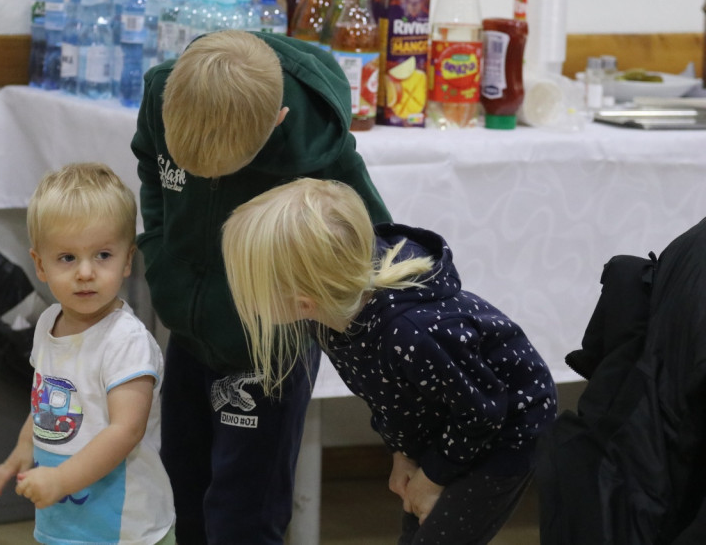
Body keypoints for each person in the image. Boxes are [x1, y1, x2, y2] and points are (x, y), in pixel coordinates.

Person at [131, 29, 390, 544]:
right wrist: (161, 259)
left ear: (276, 123)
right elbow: (151, 175)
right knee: (182, 483)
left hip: (273, 348)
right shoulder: (166, 93)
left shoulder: (313, 137)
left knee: (244, 512)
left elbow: (373, 239)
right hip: (188, 332)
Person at [220, 178, 558, 545]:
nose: (243, 298)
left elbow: (483, 412)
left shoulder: (412, 333)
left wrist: (432, 477)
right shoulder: (333, 319)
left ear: (303, 302)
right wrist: (403, 455)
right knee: (417, 528)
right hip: (448, 423)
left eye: (250, 288)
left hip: (506, 429)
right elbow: (392, 398)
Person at [0, 162, 175, 545]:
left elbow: (127, 430)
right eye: (67, 258)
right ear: (40, 264)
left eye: (103, 255)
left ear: (128, 260)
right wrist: (24, 447)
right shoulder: (48, 323)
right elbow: (44, 402)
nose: (86, 272)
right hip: (63, 523)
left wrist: (61, 479)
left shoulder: (125, 341)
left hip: (124, 528)